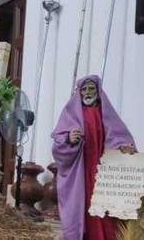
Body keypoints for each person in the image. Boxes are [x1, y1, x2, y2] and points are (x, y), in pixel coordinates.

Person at [52, 75, 136, 240]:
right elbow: (58, 148)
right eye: (84, 89)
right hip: (81, 175)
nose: (88, 92)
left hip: (103, 173)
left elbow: (119, 138)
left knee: (105, 212)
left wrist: (123, 148)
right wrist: (69, 139)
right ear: (79, 92)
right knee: (83, 209)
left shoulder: (106, 113)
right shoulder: (71, 114)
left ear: (98, 90)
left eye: (91, 88)